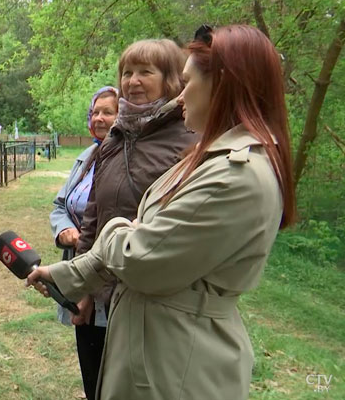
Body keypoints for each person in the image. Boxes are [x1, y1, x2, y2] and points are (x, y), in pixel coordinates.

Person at [28, 25, 295, 399]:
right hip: (153, 344)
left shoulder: (235, 174)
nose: (181, 97)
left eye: (187, 83)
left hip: (176, 363)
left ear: (222, 85)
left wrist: (121, 230)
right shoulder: (206, 157)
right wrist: (75, 276)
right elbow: (111, 219)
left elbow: (142, 258)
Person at [49, 86, 118, 399]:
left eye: (108, 111)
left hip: (111, 281)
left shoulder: (129, 160)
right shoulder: (87, 158)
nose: (100, 118)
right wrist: (64, 230)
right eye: (95, 112)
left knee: (113, 372)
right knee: (90, 367)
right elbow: (61, 204)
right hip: (79, 273)